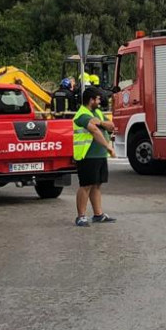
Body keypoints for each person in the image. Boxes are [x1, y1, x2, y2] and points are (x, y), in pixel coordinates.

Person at [72, 88, 117, 227]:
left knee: (97, 185)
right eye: (97, 99)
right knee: (85, 186)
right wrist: (108, 147)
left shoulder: (97, 112)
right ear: (91, 100)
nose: (99, 101)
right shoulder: (82, 115)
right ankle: (81, 216)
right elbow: (94, 130)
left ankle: (98, 215)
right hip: (87, 156)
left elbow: (111, 126)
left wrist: (101, 122)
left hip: (99, 156)